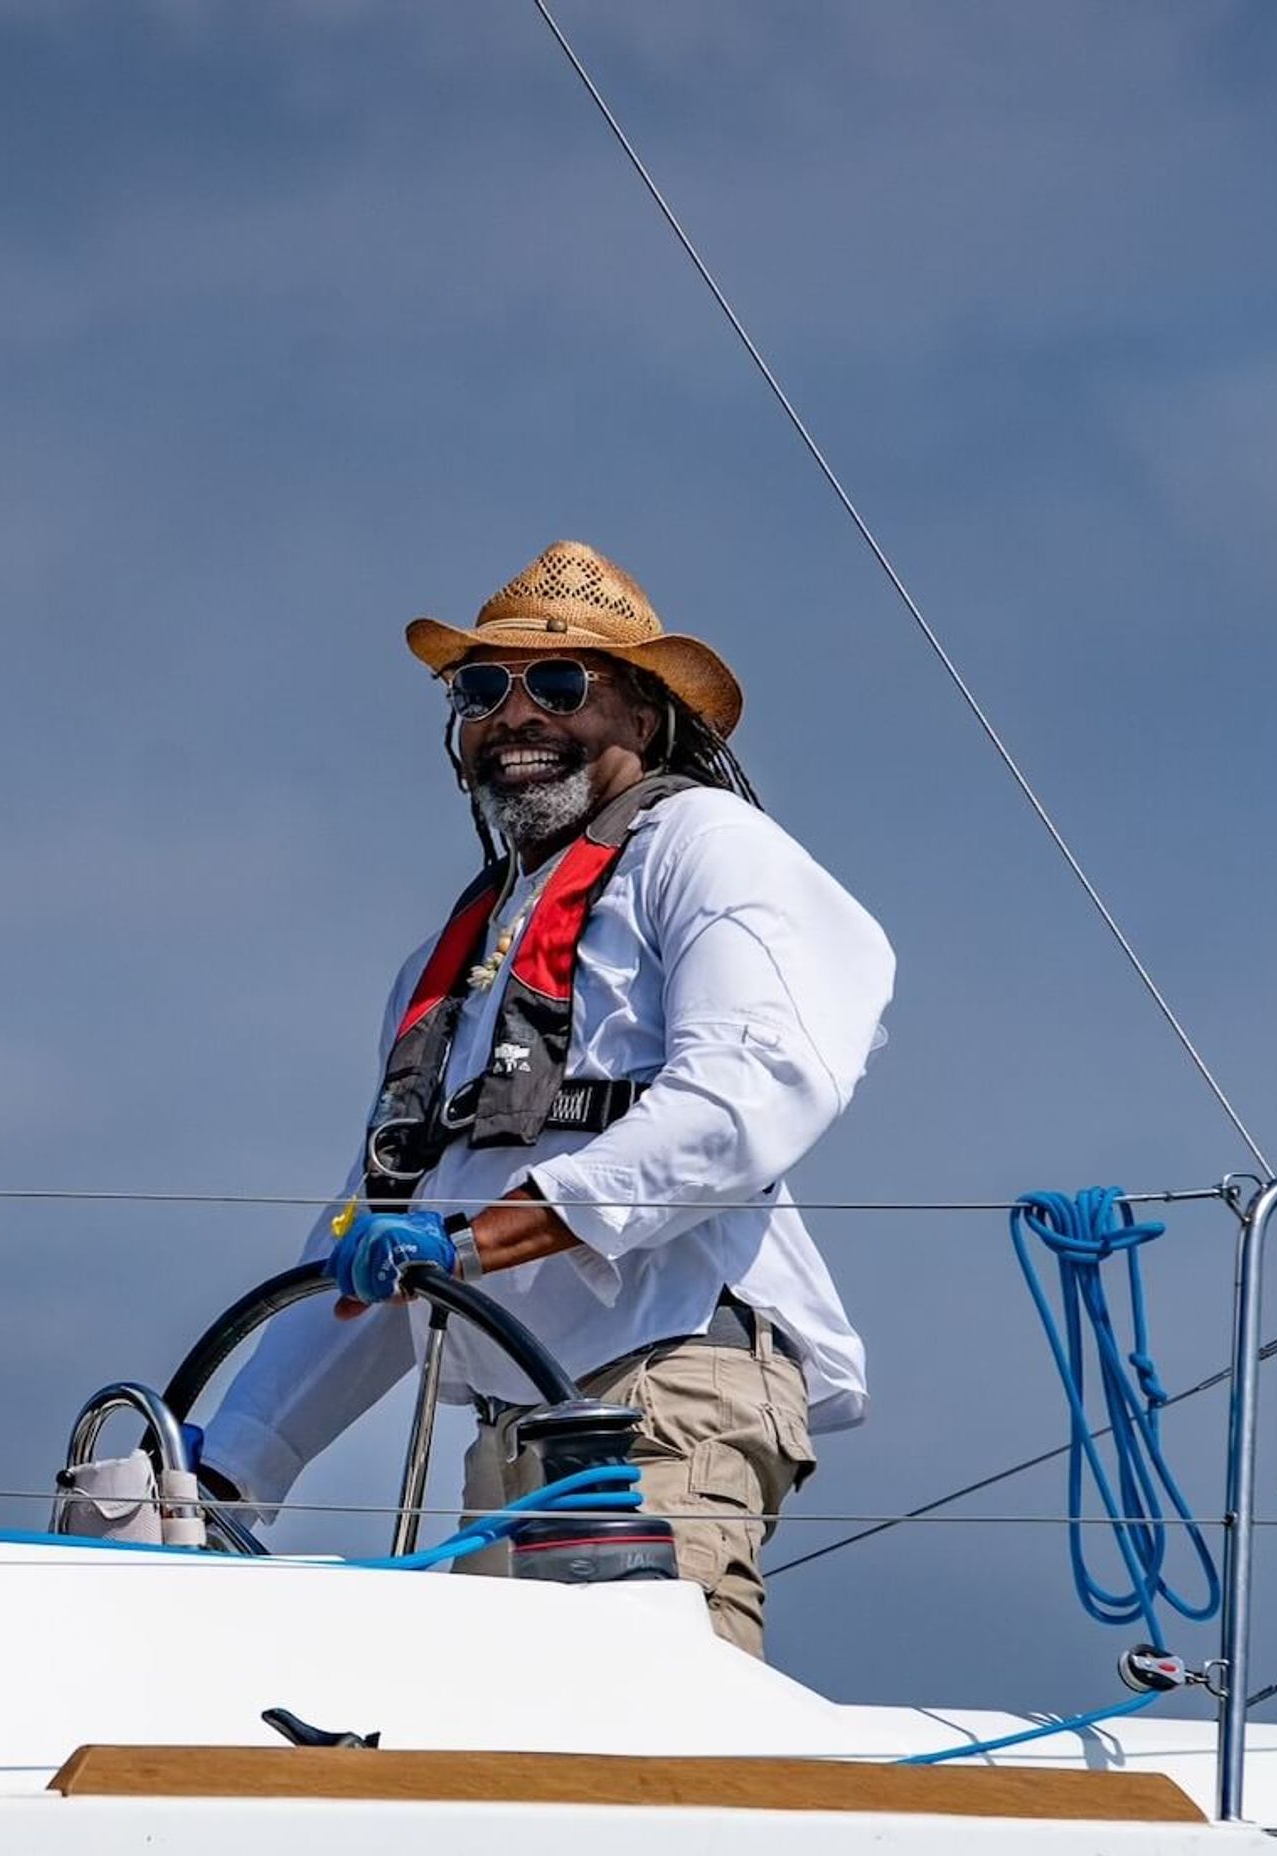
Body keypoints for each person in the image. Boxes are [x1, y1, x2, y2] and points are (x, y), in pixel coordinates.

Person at [198, 540, 893, 1654]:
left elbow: (752, 1090)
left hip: (669, 1381)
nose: (514, 715)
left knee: (644, 1720)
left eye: (560, 683)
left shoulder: (709, 848)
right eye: (482, 688)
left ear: (646, 715)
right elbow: (385, 1236)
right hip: (517, 1426)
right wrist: (227, 1467)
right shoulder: (447, 961)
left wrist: (487, 1235)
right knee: (512, 1732)